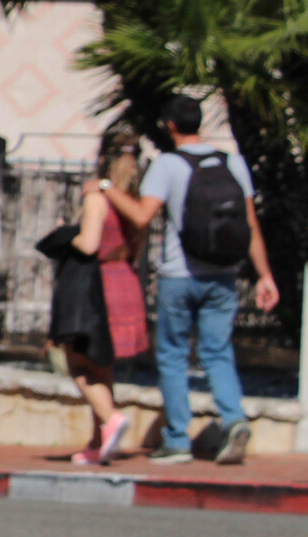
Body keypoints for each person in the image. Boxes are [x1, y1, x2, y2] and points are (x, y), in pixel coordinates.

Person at [100, 97, 280, 465]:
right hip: (224, 275)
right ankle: (233, 419)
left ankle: (178, 439)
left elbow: (140, 216)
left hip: (178, 277)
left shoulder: (168, 164)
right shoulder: (232, 161)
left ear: (168, 126)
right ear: (199, 122)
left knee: (172, 356)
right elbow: (249, 224)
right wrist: (264, 275)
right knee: (217, 352)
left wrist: (105, 187)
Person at [52, 130, 149, 465]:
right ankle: (98, 443)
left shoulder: (98, 197)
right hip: (125, 280)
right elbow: (136, 248)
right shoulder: (134, 199)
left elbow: (89, 244)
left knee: (79, 364)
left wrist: (67, 234)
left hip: (97, 286)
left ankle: (111, 420)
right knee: (102, 367)